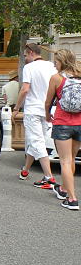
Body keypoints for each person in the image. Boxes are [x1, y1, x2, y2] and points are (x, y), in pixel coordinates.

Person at [13, 43, 57, 187]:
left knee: (37, 142)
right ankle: (25, 170)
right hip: (47, 109)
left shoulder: (29, 67)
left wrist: (16, 108)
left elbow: (25, 89)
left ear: (31, 53)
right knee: (37, 140)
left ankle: (49, 178)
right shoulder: (51, 66)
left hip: (32, 110)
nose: (25, 58)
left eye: (25, 55)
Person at [45, 49, 81, 210]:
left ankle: (72, 199)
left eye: (56, 62)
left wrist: (47, 115)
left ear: (62, 62)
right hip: (79, 123)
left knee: (65, 161)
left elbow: (48, 101)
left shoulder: (56, 78)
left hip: (62, 122)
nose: (54, 64)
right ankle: (65, 189)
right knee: (71, 159)